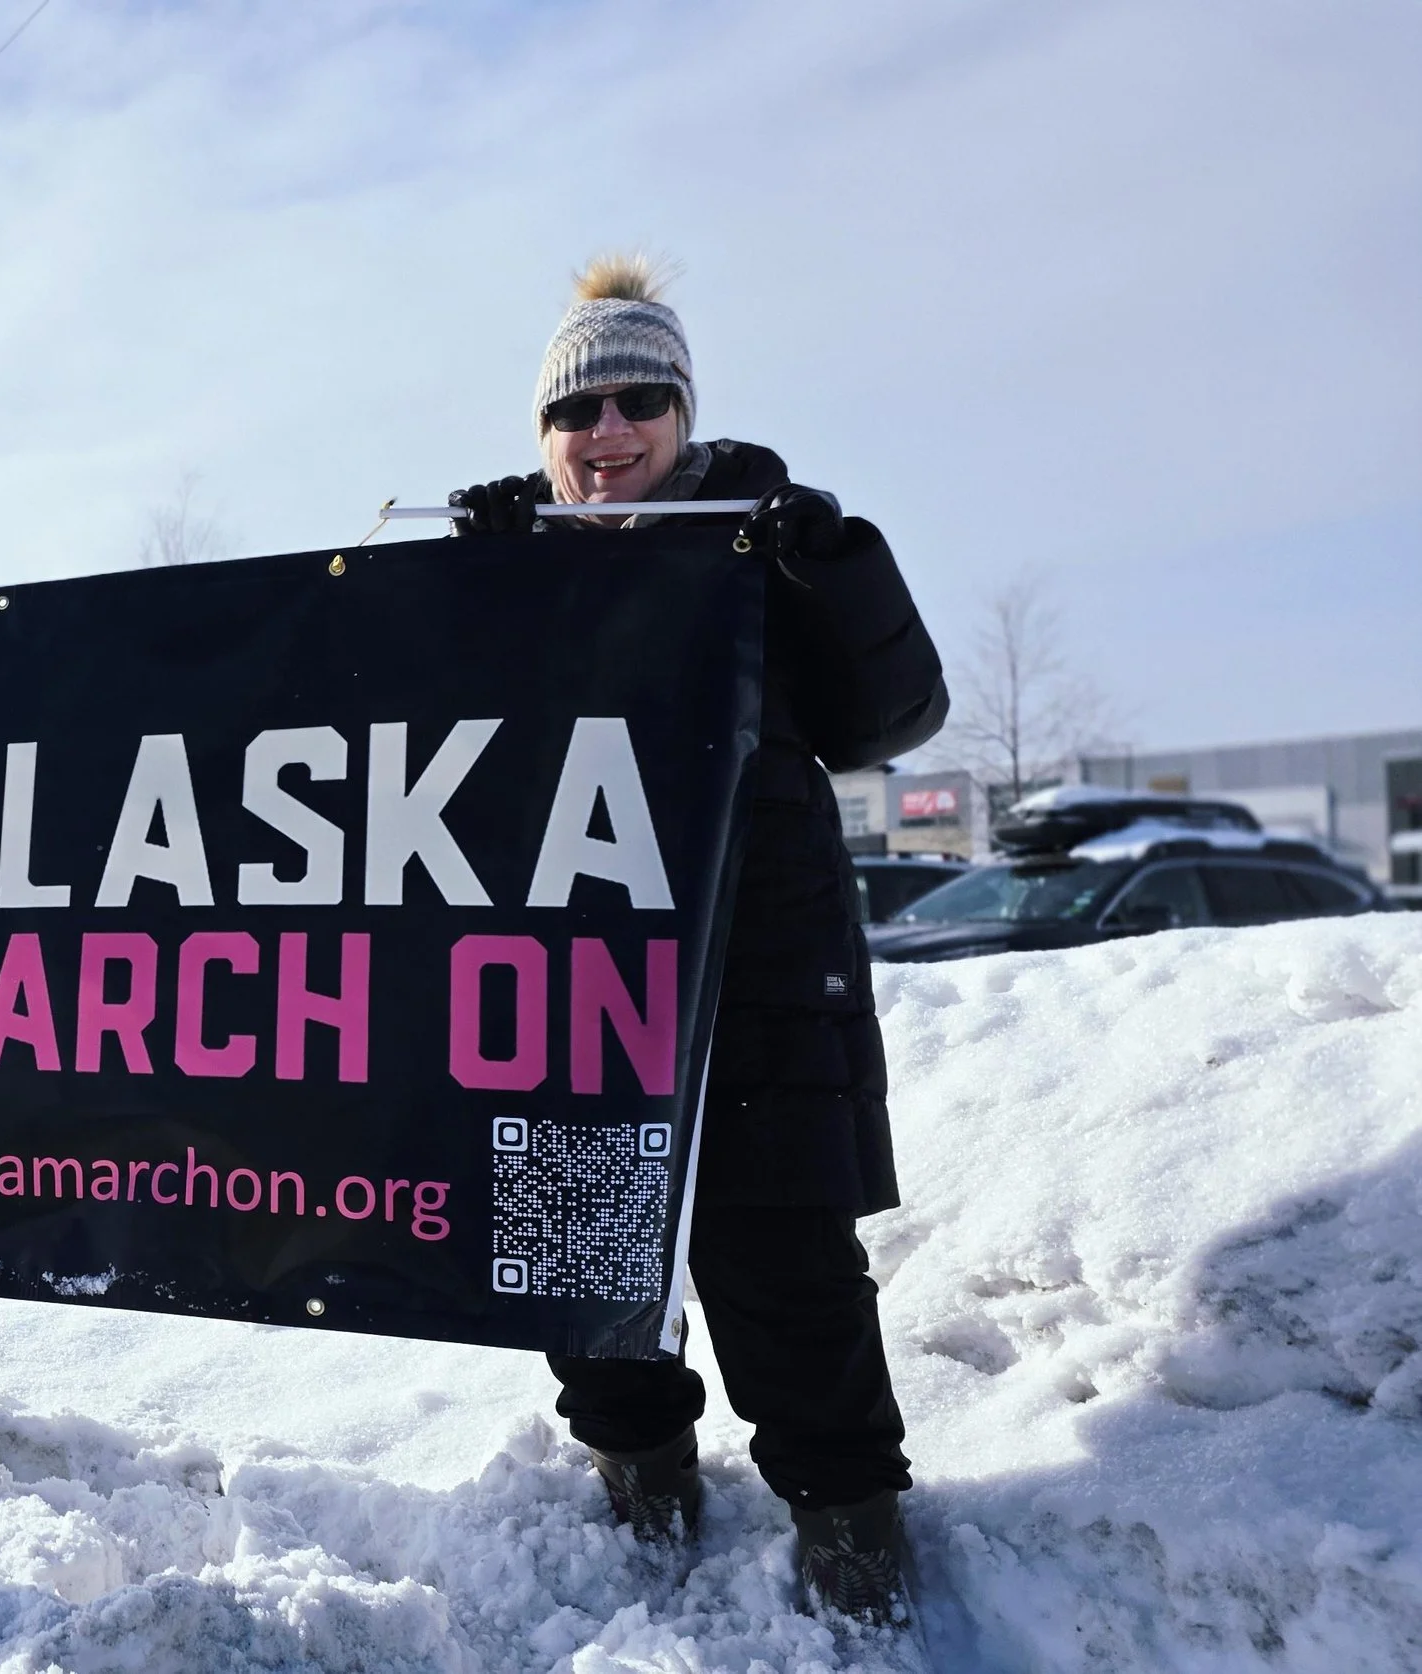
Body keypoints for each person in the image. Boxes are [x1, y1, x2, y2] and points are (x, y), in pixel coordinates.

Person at [450, 256, 947, 1625]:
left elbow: (893, 715)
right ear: (544, 438)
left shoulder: (771, 550)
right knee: (585, 1252)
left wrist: (829, 560)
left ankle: (849, 1519)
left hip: (756, 975)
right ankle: (639, 1471)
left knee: (780, 1256)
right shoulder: (516, 568)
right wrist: (460, 596)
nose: (608, 433)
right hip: (562, 981)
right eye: (578, 411)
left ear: (683, 414)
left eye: (638, 402)